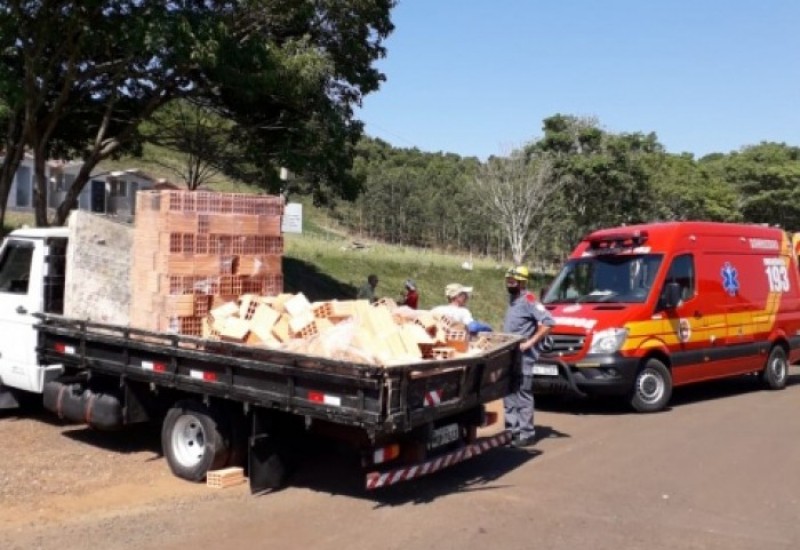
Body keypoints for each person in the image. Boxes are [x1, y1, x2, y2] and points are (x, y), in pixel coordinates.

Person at [503, 265, 555, 448]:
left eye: (513, 281)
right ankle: (512, 430)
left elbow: (548, 322)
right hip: (509, 355)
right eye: (508, 281)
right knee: (509, 392)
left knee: (523, 393)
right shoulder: (512, 300)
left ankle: (526, 433)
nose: (509, 284)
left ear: (522, 283)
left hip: (524, 356)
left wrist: (530, 342)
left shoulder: (529, 300)